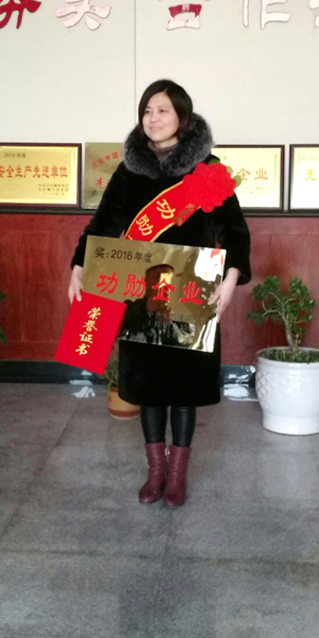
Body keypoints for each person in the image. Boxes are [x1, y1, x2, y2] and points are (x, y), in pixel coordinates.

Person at [68, 79, 251, 507]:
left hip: (192, 291)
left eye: (163, 110)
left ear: (182, 117)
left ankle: (177, 476)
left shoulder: (207, 170)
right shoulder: (129, 170)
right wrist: (78, 264)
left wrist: (231, 278)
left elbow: (235, 231)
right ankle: (155, 472)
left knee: (184, 389)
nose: (153, 118)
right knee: (149, 386)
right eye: (147, 111)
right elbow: (102, 225)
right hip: (141, 291)